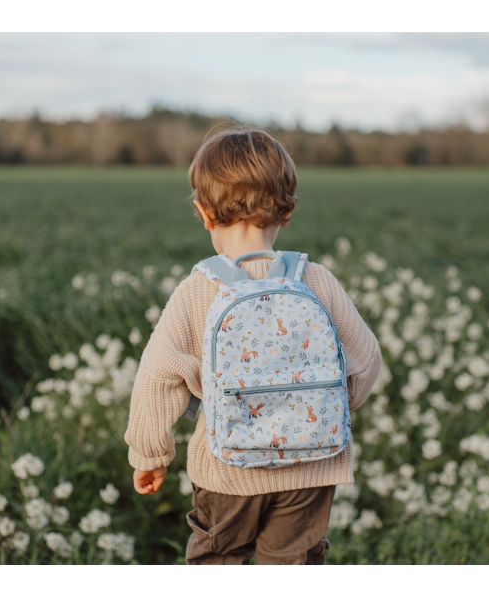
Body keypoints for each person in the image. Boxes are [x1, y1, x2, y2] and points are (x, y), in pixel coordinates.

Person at [124, 125, 382, 565]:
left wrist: (149, 452)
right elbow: (365, 361)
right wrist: (324, 406)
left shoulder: (199, 290)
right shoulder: (315, 279)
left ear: (203, 213)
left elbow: (158, 375)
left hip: (227, 470)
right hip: (311, 465)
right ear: (287, 212)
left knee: (219, 562)